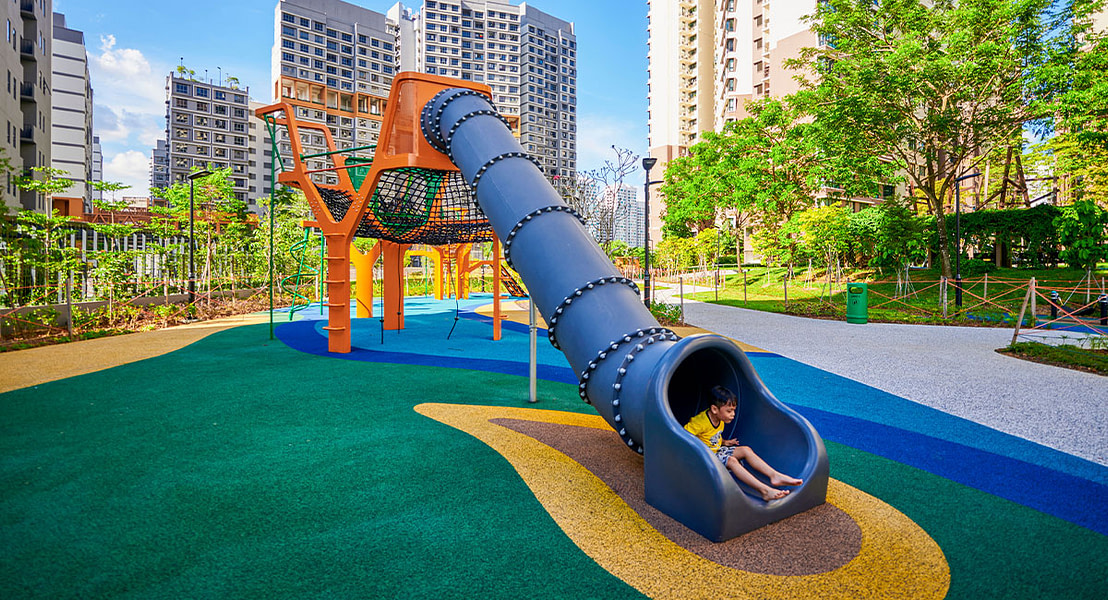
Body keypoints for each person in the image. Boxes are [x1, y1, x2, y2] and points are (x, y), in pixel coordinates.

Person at [683, 385, 803, 501]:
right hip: (705, 457)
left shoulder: (720, 418)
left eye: (733, 410)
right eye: (729, 411)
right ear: (714, 409)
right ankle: (765, 491)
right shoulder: (700, 422)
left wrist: (723, 442)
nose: (733, 414)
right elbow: (683, 435)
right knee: (732, 461)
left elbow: (709, 435)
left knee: (746, 450)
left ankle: (774, 475)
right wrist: (697, 453)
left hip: (717, 450)